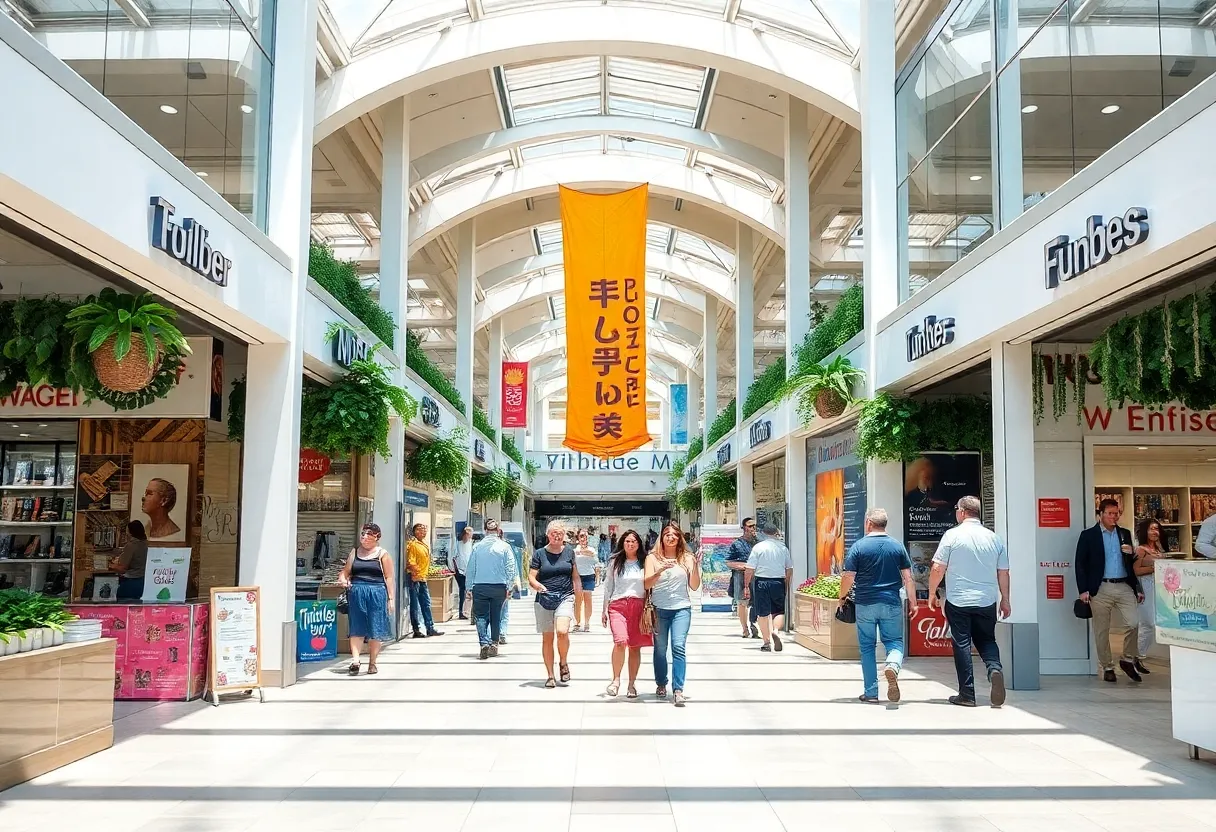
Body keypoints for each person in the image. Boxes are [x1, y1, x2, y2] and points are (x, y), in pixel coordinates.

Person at [928, 496, 1010, 707]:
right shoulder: (994, 538)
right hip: (986, 600)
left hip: (959, 600)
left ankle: (967, 694)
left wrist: (931, 593)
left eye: (957, 509)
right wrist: (1005, 600)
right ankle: (994, 669)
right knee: (987, 640)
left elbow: (938, 568)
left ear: (962, 512)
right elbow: (1003, 572)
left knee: (962, 643)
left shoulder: (952, 536)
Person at [839, 508, 914, 703]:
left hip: (865, 603)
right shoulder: (897, 546)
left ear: (869, 523)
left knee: (867, 647)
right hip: (891, 602)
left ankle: (871, 693)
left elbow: (848, 576)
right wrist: (913, 602)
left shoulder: (859, 547)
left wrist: (842, 596)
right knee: (895, 643)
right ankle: (892, 665)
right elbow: (908, 578)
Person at [1075, 499, 1144, 682]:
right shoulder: (1089, 535)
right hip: (1100, 587)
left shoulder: (1124, 534)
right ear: (1101, 515)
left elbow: (1131, 565)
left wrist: (1132, 554)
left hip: (1123, 585)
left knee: (1134, 623)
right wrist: (1083, 590)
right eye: (1110, 513)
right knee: (1101, 630)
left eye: (1117, 513)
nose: (1114, 517)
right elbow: (1080, 564)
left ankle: (1128, 659)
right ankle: (1107, 666)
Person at [646, 521, 701, 707]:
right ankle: (661, 683)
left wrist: (693, 566)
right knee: (660, 649)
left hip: (682, 608)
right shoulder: (652, 558)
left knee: (678, 646)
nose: (671, 537)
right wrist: (658, 571)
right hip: (659, 608)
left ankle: (678, 689)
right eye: (667, 534)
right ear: (662, 538)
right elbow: (646, 584)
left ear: (679, 539)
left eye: (674, 535)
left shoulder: (687, 557)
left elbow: (694, 586)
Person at [338, 523, 394, 675]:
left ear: (377, 537)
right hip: (357, 592)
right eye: (363, 534)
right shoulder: (354, 552)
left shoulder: (382, 554)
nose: (365, 537)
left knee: (376, 628)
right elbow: (345, 572)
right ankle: (355, 661)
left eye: (369, 534)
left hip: (377, 592)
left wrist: (391, 598)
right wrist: (343, 579)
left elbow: (389, 577)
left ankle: (372, 662)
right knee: (356, 626)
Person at [601, 529, 651, 698]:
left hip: (639, 605)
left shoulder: (645, 561)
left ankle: (631, 684)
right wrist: (604, 609)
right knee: (620, 641)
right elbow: (608, 585)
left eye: (634, 541)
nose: (630, 544)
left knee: (635, 647)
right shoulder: (615, 561)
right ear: (622, 542)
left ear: (639, 544)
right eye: (627, 541)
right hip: (618, 605)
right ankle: (615, 680)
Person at [529, 519, 578, 688]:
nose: (557, 536)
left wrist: (578, 600)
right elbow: (531, 577)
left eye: (560, 533)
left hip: (565, 596)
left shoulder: (570, 552)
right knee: (547, 638)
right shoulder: (539, 554)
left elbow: (575, 577)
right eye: (553, 533)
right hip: (544, 598)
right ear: (548, 534)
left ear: (564, 535)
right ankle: (550, 675)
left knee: (562, 631)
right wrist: (537, 585)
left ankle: (563, 662)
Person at [466, 519, 517, 660]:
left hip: (480, 586)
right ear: (498, 530)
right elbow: (511, 567)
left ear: (485, 530)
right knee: (496, 616)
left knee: (481, 616)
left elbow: (471, 568)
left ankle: (484, 642)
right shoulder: (505, 547)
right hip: (499, 586)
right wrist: (510, 585)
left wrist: (468, 587)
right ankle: (494, 643)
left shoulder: (477, 546)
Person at [743, 522, 793, 653]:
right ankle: (776, 631)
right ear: (775, 533)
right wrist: (786, 583)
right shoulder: (783, 548)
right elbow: (789, 569)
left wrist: (746, 585)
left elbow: (749, 569)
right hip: (778, 582)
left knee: (762, 614)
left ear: (763, 533)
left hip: (761, 582)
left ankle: (766, 642)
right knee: (779, 611)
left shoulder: (758, 547)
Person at [1132, 518, 1164, 675]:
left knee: (1151, 623)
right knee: (1147, 623)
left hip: (1157, 588)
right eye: (1151, 529)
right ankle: (1135, 656)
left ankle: (1138, 656)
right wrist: (1154, 568)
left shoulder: (1158, 548)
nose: (1155, 532)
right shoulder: (1141, 550)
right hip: (1145, 587)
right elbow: (1136, 570)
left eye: (1157, 529)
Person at [405, 523, 444, 639]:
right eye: (420, 530)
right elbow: (410, 562)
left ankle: (430, 627)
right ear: (415, 532)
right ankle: (416, 629)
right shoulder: (413, 545)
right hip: (415, 578)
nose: (423, 532)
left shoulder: (423, 544)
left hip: (423, 578)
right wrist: (415, 573)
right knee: (415, 605)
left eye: (424, 530)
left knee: (426, 604)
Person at [726, 518, 760, 639]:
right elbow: (728, 562)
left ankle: (754, 626)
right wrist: (743, 566)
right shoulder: (737, 544)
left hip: (757, 576)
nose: (753, 528)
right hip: (741, 576)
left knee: (757, 602)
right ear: (744, 527)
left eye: (754, 526)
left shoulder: (759, 543)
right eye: (750, 526)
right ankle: (745, 628)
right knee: (742, 602)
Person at [114, 521, 148, 600]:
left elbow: (122, 569)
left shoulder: (131, 546)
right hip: (143, 582)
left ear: (130, 532)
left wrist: (111, 566)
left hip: (130, 583)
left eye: (127, 531)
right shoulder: (146, 544)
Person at [573, 529, 598, 632]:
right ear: (578, 538)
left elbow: (593, 556)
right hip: (578, 577)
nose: (584, 538)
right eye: (582, 536)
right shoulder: (574, 550)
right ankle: (577, 623)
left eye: (586, 536)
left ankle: (587, 622)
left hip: (589, 576)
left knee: (588, 600)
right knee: (578, 600)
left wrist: (582, 551)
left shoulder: (592, 549)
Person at [452, 527, 474, 620]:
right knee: (463, 590)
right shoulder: (458, 544)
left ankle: (465, 611)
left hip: (467, 571)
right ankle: (462, 612)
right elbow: (455, 557)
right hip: (460, 571)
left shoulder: (470, 544)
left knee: (466, 591)